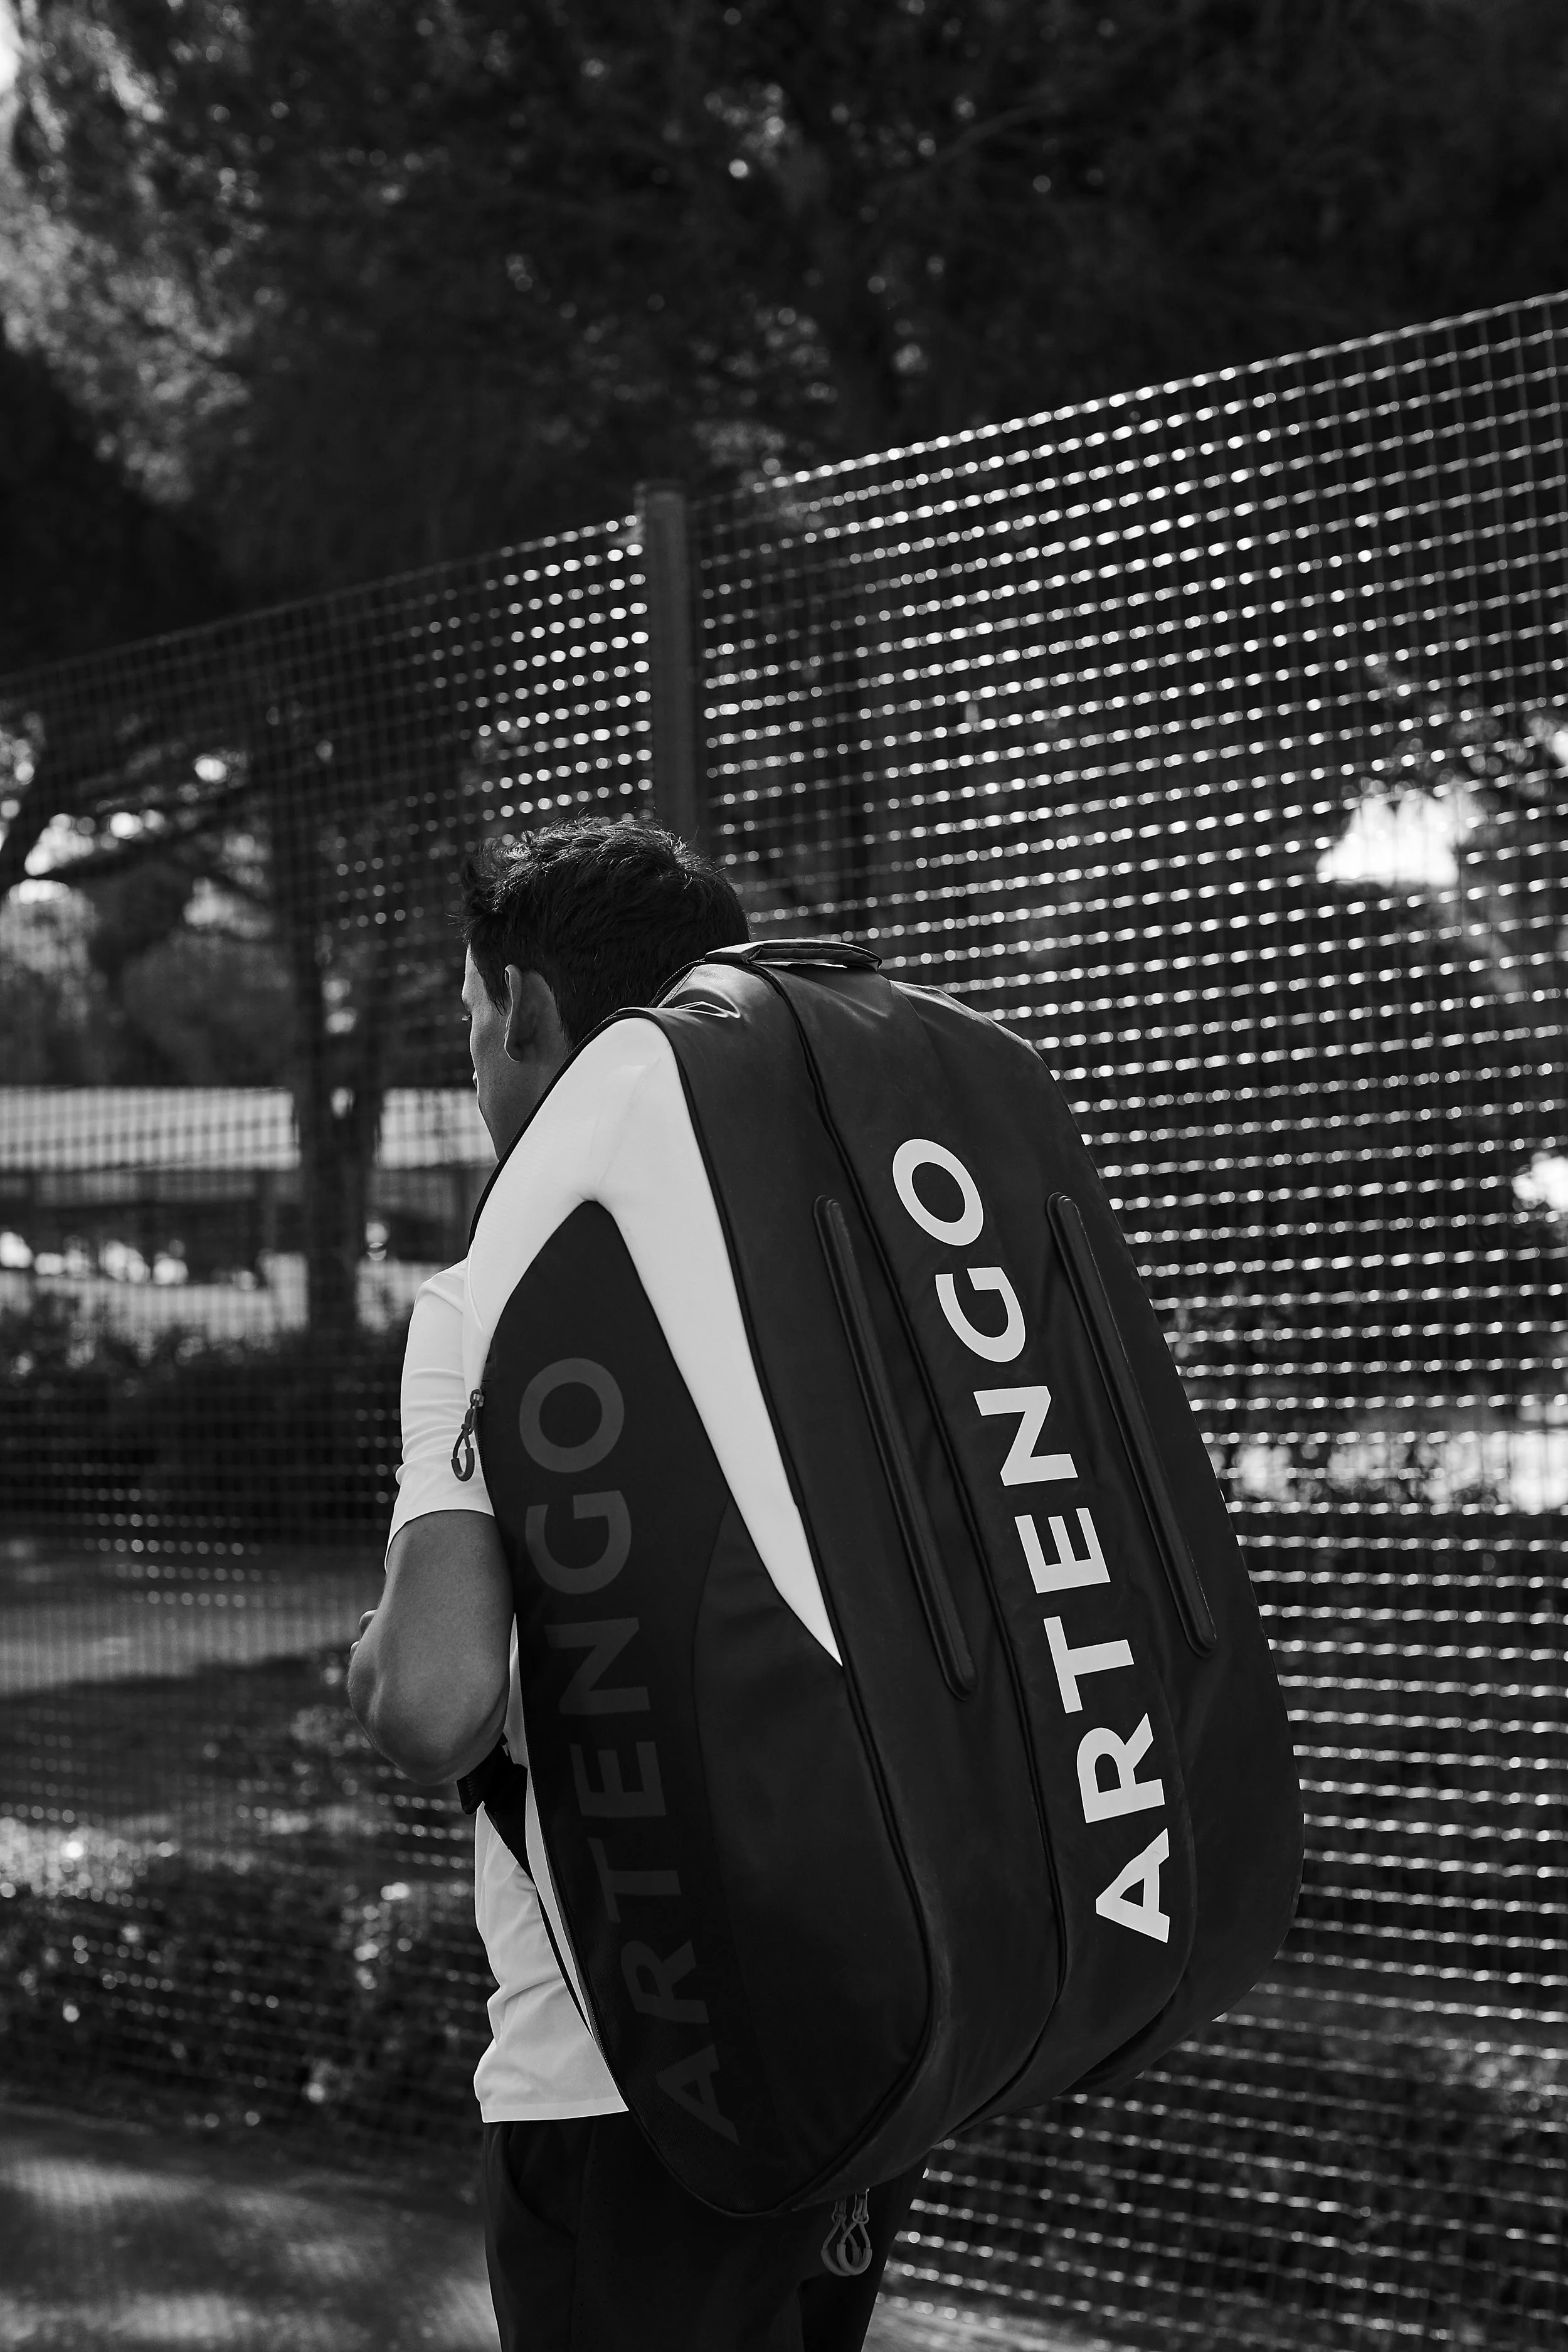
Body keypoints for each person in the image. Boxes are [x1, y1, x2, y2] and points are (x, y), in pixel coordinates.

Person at [347, 815, 928, 2352]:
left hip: (624, 2078)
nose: (475, 1066)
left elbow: (432, 1700)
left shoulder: (500, 1285)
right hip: (865, 2031)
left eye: (471, 1024)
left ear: (529, 1012)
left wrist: (372, 1657)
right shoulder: (842, 1260)